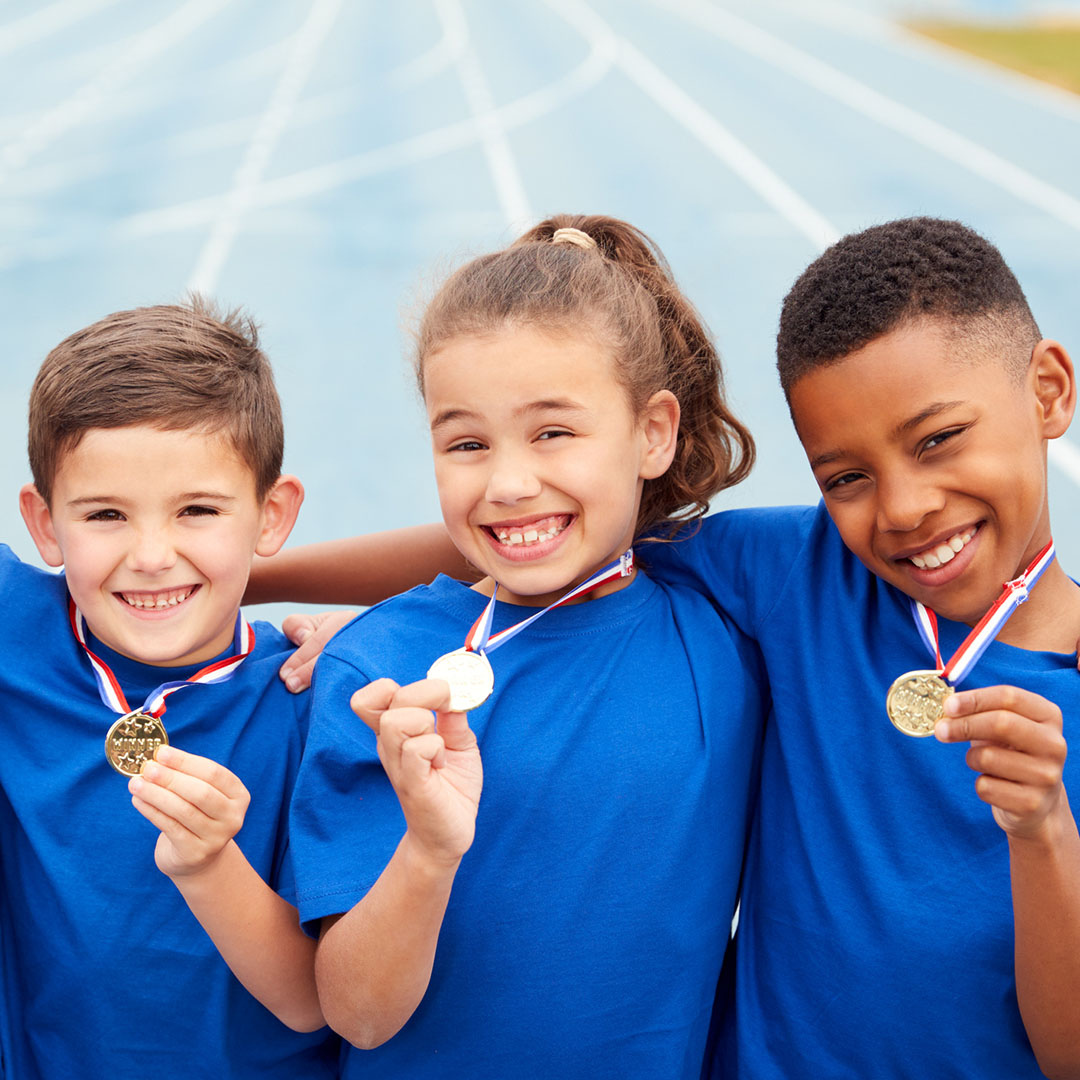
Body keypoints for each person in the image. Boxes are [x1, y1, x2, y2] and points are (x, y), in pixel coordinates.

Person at [256, 217, 1080, 1078]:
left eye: (939, 439)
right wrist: (271, 585)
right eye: (844, 478)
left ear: (1051, 391)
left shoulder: (773, 605)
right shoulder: (799, 576)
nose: (905, 508)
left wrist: (1044, 830)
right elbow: (567, 533)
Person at [286, 214, 767, 1079]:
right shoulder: (378, 676)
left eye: (553, 432)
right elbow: (356, 1014)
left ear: (653, 433)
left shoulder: (728, 630)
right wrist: (428, 852)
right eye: (467, 443)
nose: (509, 483)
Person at [0, 299, 353, 1079]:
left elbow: (313, 1001)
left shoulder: (313, 699)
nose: (152, 555)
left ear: (272, 514)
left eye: (197, 510)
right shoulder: (16, 627)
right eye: (105, 514)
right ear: (45, 523)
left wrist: (208, 862)